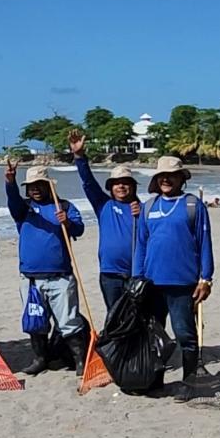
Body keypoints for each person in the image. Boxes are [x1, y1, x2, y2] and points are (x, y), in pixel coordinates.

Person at [133, 156, 214, 403]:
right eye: (161, 176)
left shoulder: (193, 206)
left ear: (182, 178)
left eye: (171, 175)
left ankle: (188, 382)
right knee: (154, 336)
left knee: (185, 335)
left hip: (182, 284)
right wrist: (136, 278)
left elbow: (205, 243)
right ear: (156, 180)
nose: (166, 179)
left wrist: (206, 278)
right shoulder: (148, 207)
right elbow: (141, 245)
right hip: (152, 284)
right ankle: (155, 381)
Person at [5, 163, 90, 376]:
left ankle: (80, 361)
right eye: (30, 185)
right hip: (31, 279)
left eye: (39, 185)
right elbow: (12, 200)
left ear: (48, 185)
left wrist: (67, 222)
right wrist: (9, 181)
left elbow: (80, 229)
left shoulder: (65, 206)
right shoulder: (23, 209)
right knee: (36, 323)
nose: (34, 189)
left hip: (60, 276)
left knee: (69, 321)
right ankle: (40, 359)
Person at [69, 129, 140, 309]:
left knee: (138, 318)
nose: (121, 186)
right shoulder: (104, 205)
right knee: (115, 318)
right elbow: (88, 183)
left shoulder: (144, 210)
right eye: (116, 183)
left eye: (125, 183)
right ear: (111, 187)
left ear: (133, 187)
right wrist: (79, 156)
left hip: (138, 273)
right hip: (110, 275)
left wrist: (140, 216)